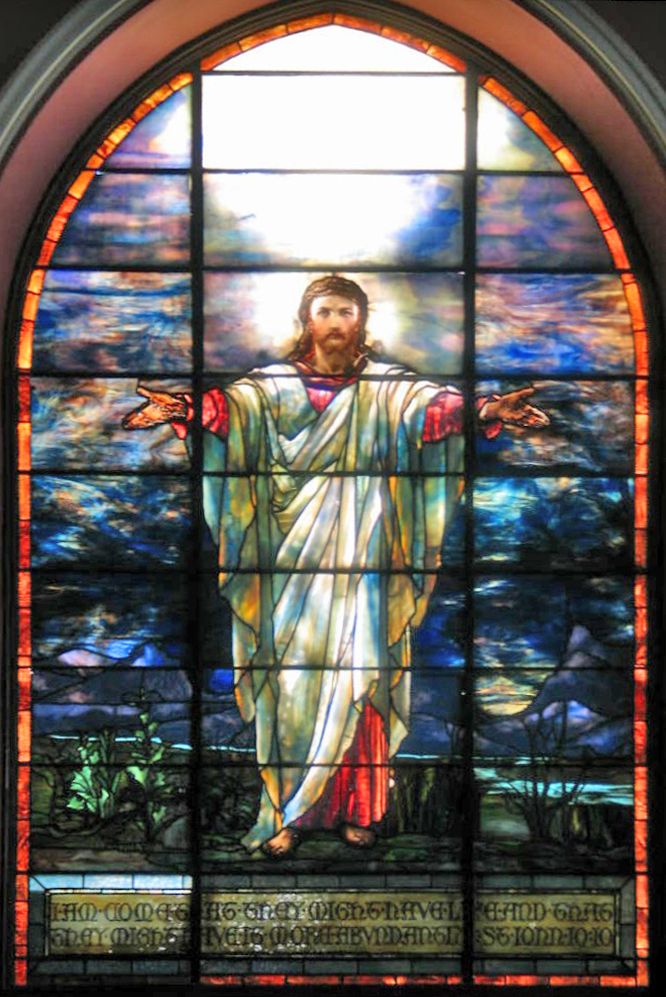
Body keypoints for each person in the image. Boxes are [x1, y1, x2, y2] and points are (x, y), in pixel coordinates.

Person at [123, 275, 548, 857]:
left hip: (366, 563)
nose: (335, 323)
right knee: (290, 683)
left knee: (361, 675)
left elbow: (435, 411)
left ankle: (356, 811)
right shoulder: (271, 387)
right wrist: (186, 409)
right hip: (288, 566)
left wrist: (488, 408)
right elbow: (230, 411)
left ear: (361, 321)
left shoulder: (386, 389)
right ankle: (287, 812)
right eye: (324, 311)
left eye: (346, 312)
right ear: (308, 320)